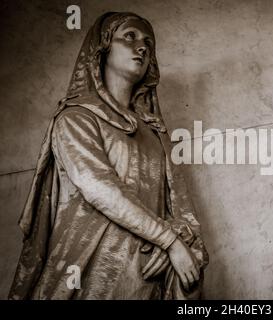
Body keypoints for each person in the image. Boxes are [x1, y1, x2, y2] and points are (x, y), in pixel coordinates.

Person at [8, 12, 208, 300]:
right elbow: (99, 187)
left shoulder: (155, 135)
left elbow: (177, 210)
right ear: (102, 49)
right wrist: (170, 241)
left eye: (148, 43)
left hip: (143, 278)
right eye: (130, 36)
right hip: (86, 272)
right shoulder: (76, 118)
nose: (142, 47)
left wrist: (177, 240)